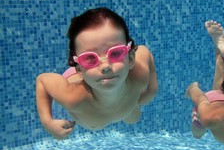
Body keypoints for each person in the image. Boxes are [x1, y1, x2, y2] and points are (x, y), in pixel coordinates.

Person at [36, 7, 158, 139]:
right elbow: (42, 80)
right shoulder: (73, 98)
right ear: (79, 69)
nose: (105, 66)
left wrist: (152, 89)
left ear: (130, 58)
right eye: (89, 57)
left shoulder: (139, 75)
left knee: (133, 117)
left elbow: (145, 52)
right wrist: (47, 122)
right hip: (79, 80)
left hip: (113, 88)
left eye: (116, 53)